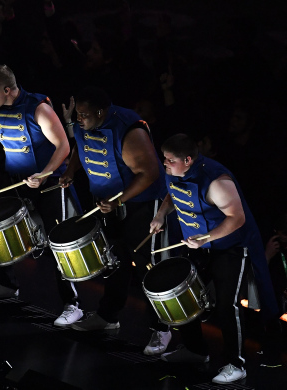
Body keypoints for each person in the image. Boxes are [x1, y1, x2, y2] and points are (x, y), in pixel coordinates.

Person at [0, 65, 82, 323]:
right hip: (17, 183)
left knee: (58, 245)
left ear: (7, 90)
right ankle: (6, 284)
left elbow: (63, 146)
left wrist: (43, 174)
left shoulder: (38, 108)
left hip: (49, 184)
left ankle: (72, 304)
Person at [150, 133, 279, 384]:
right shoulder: (174, 171)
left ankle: (236, 364)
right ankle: (196, 351)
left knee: (226, 305)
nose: (164, 163)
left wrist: (205, 238)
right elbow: (172, 190)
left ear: (188, 160)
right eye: (164, 158)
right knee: (183, 294)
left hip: (231, 246)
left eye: (170, 160)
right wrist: (162, 214)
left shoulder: (217, 181)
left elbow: (237, 218)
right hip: (200, 244)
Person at [59, 87, 168, 340]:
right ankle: (108, 316)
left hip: (140, 203)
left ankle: (161, 328)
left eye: (83, 114)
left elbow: (150, 174)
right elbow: (81, 146)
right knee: (113, 261)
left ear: (100, 111)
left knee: (145, 265)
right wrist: (70, 171)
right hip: (108, 203)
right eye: (78, 114)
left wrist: (119, 200)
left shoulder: (129, 129)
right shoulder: (85, 122)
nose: (79, 119)